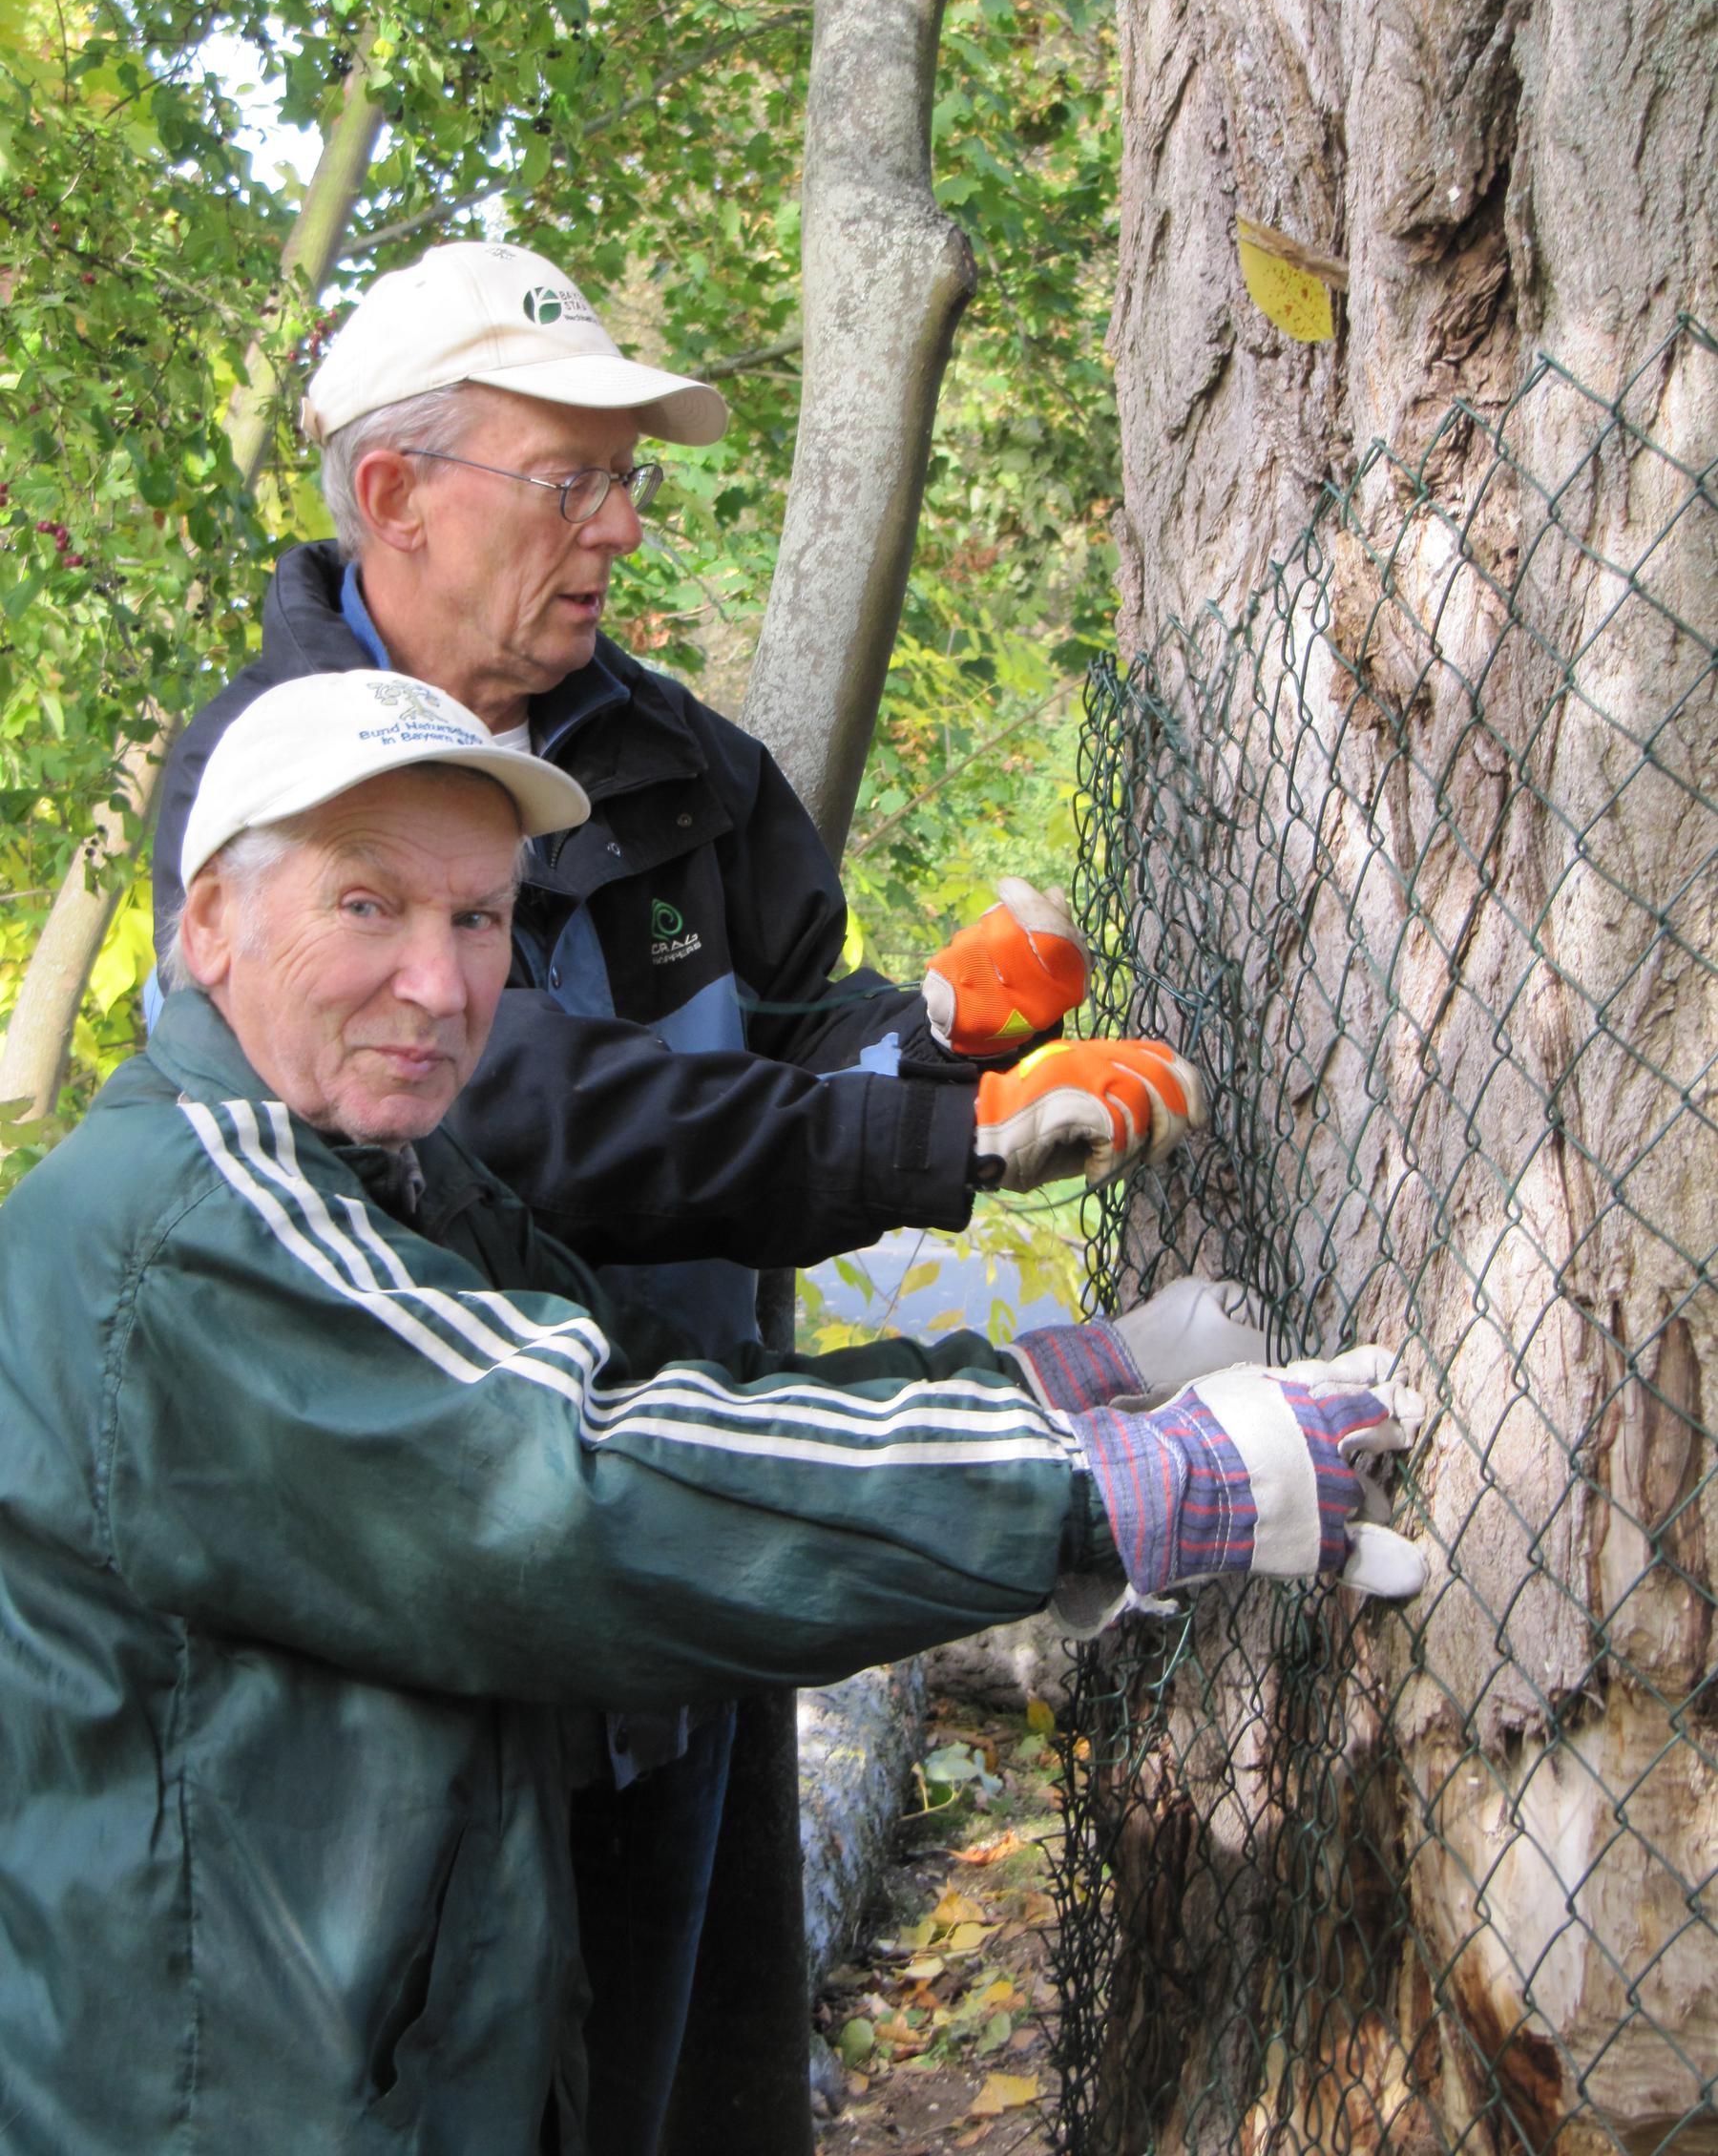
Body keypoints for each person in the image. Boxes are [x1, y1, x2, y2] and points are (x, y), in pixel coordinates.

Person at [0, 673, 1427, 2156]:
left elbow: (661, 1395)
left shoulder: (384, 1182)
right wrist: (1107, 1486)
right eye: (367, 906)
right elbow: (590, 1488)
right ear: (208, 926)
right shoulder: (195, 1230)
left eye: (479, 919)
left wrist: (1062, 1384)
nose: (437, 982)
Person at [146, 238, 1212, 2152]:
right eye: (572, 481)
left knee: (695, 2084)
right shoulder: (269, 785)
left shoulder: (675, 765)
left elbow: (789, 1028)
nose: (623, 529)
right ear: (394, 492)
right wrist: (951, 1146)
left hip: (703, 1546)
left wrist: (944, 1040)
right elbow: (516, 1117)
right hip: (429, 1613)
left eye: (629, 480)